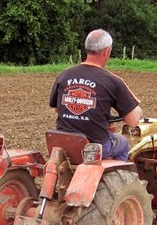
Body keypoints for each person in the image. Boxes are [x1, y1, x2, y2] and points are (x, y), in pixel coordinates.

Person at [48, 29, 143, 161]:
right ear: (107, 51)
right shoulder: (112, 81)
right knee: (123, 143)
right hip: (94, 146)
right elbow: (132, 121)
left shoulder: (64, 75)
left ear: (87, 48)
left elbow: (57, 108)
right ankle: (118, 177)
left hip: (65, 142)